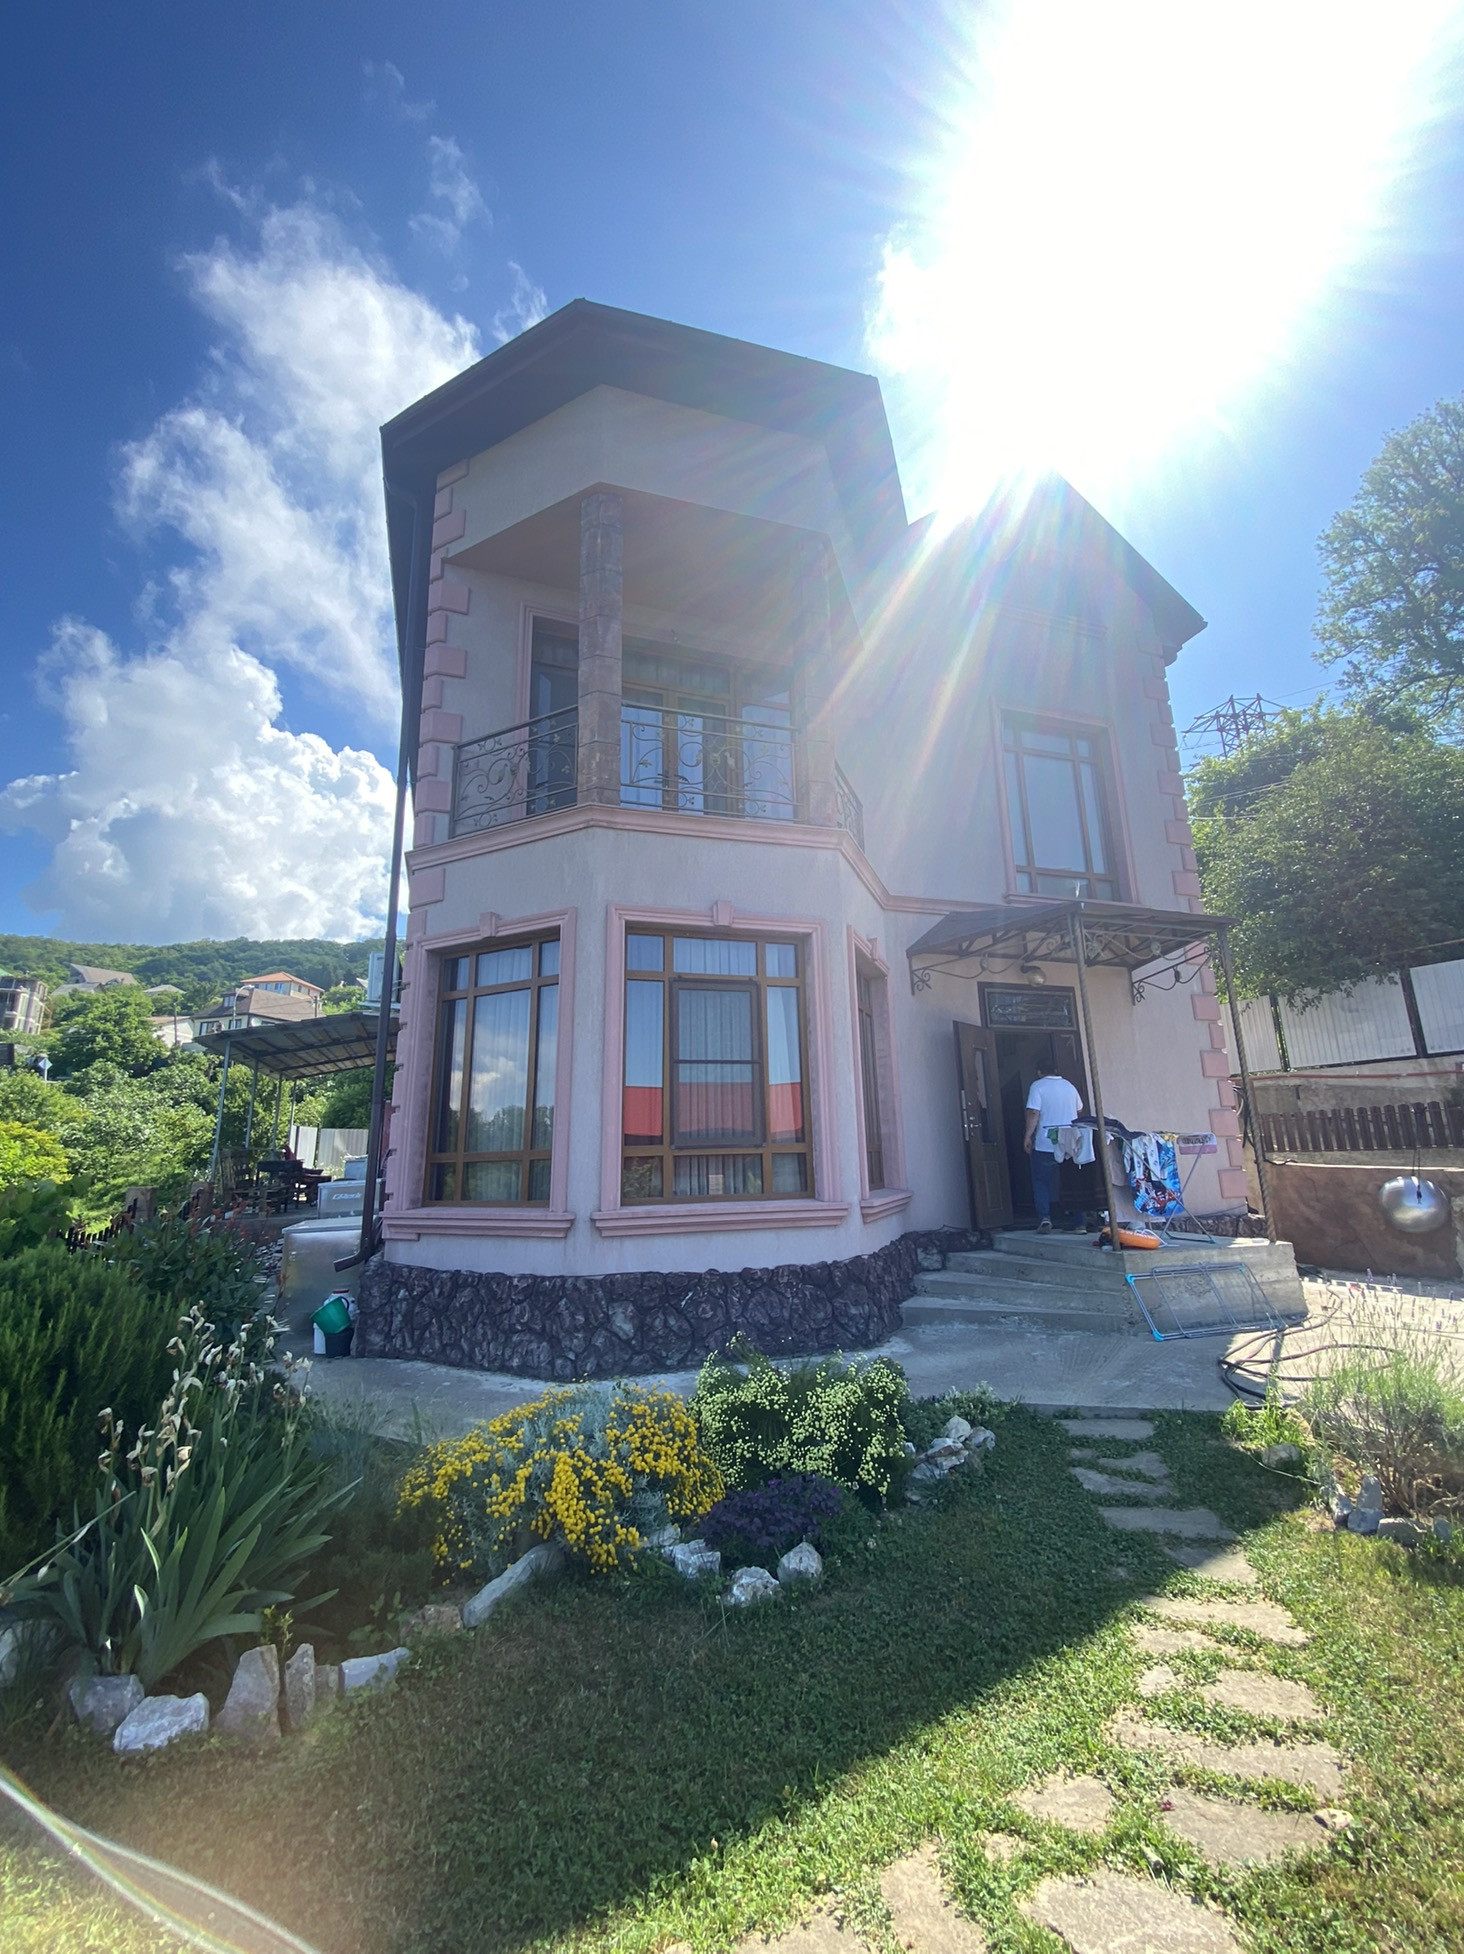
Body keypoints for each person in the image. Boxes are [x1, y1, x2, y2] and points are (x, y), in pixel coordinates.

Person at [1023, 1065, 1083, 1232]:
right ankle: (1079, 1222)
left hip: (1047, 1140)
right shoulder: (1069, 1086)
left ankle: (1045, 1218)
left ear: (1039, 1072)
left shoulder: (1038, 1086)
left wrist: (1028, 1136)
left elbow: (1033, 1112)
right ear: (1056, 1071)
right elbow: (1079, 1109)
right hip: (1070, 1139)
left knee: (1041, 1181)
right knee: (1072, 1181)